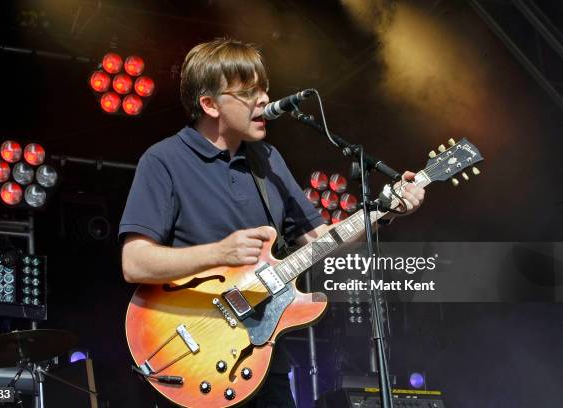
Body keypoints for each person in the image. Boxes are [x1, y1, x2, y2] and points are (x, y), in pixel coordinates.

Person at [119, 38, 425, 407]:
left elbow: (320, 240)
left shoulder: (268, 160)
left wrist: (383, 210)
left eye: (263, 89)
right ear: (209, 104)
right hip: (193, 357)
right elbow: (134, 262)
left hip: (262, 361)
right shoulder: (164, 160)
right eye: (248, 92)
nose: (264, 99)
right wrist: (219, 252)